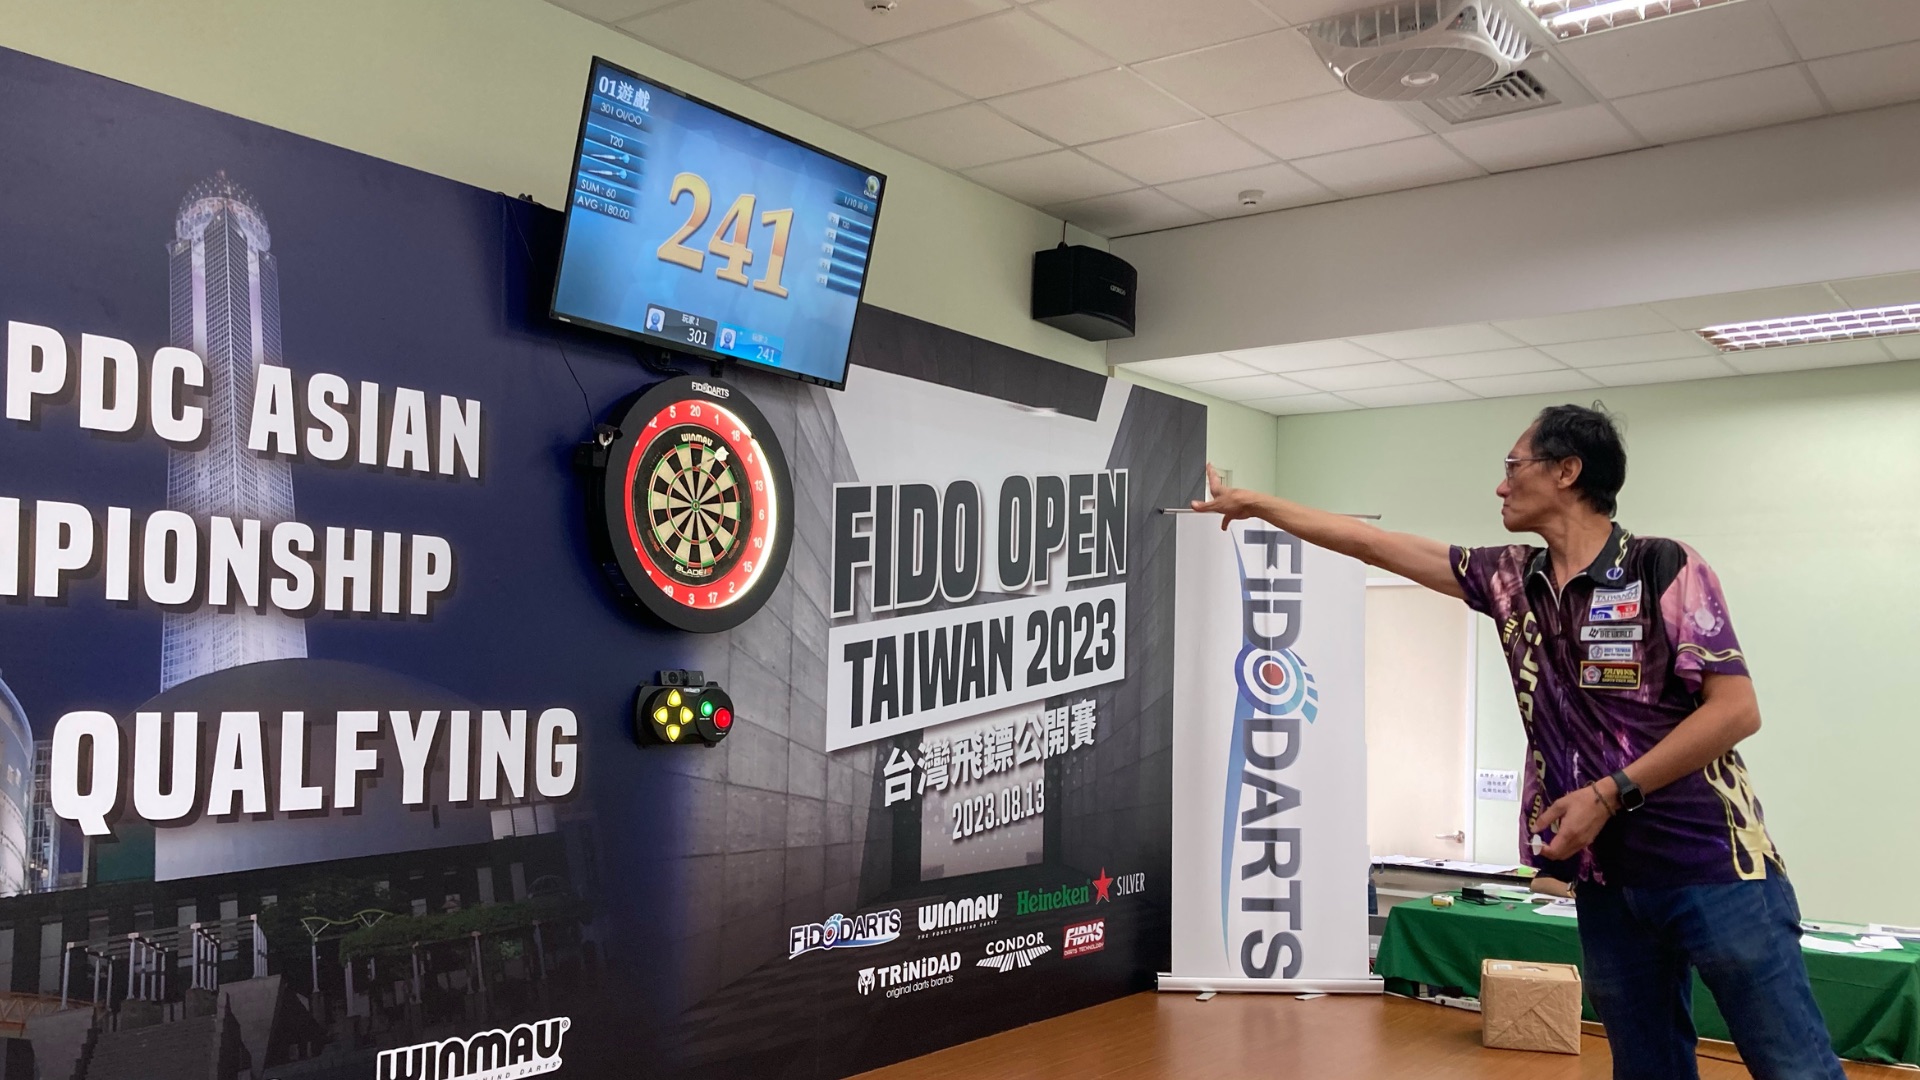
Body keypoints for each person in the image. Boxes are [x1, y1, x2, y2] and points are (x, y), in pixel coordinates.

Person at [1192, 403, 1843, 1080]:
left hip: (1714, 866)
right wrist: (1259, 504)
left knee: (1794, 1068)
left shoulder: (1663, 566)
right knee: (1647, 1070)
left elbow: (1736, 710)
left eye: (1513, 465)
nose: (1501, 485)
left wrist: (1608, 793)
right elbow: (1371, 543)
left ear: (1567, 471)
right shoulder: (1509, 580)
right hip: (1608, 881)